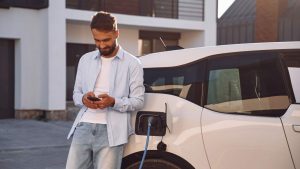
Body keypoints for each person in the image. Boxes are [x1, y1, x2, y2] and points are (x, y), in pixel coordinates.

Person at [66, 11, 145, 169]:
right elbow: (76, 94)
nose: (101, 45)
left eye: (106, 40)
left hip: (112, 133)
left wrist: (113, 102)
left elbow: (138, 101)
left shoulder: (132, 63)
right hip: (83, 127)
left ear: (116, 33)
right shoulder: (85, 60)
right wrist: (83, 99)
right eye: (97, 40)